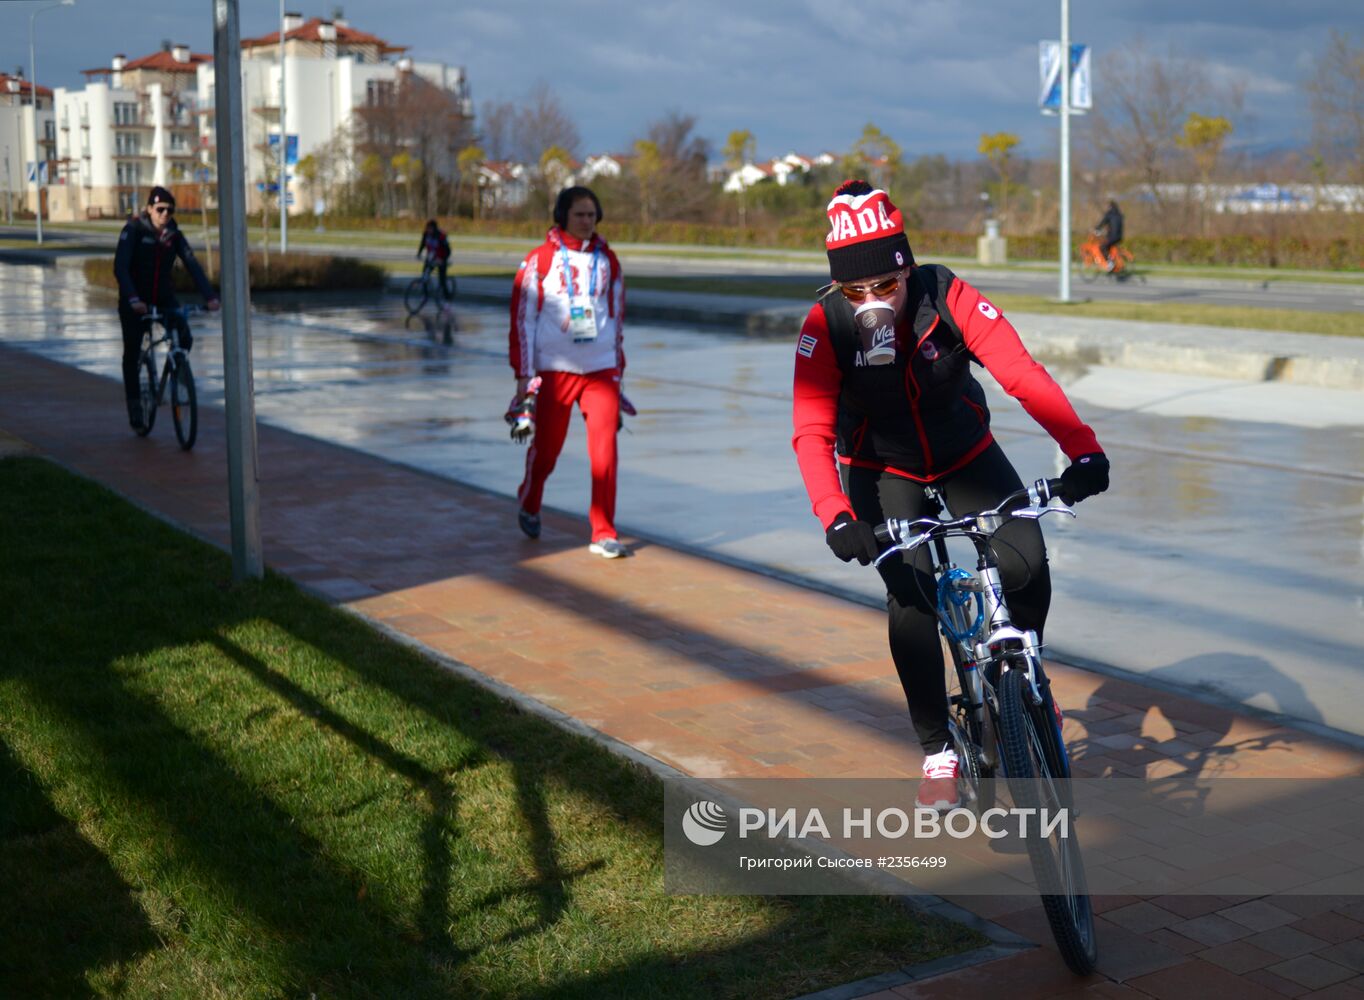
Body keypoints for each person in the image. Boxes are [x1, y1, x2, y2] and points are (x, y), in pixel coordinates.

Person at [791, 180, 1110, 810]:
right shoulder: (825, 325)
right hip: (881, 468)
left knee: (1025, 559)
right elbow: (810, 429)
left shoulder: (946, 293)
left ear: (906, 267)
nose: (871, 300)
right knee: (909, 597)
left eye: (885, 285)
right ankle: (938, 747)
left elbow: (1022, 373)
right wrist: (836, 516)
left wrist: (1083, 448)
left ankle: (1026, 678)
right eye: (856, 290)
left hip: (963, 449)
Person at [507, 185, 628, 558]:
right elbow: (522, 320)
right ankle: (530, 499)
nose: (587, 221)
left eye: (592, 214)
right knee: (548, 452)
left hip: (600, 369)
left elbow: (617, 318)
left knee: (605, 452)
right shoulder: (540, 260)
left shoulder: (608, 260)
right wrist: (524, 376)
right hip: (554, 370)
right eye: (580, 214)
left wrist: (619, 373)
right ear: (563, 216)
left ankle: (603, 531)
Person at [114, 185, 219, 431]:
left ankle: (178, 372)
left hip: (163, 297)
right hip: (135, 300)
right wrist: (132, 299)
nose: (164, 214)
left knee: (184, 335)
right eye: (160, 209)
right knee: (132, 354)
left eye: (169, 211)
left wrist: (210, 296)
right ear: (150, 208)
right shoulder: (134, 230)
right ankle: (136, 406)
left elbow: (191, 263)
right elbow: (120, 267)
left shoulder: (173, 235)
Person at [417, 218, 452, 299]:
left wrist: (442, 259)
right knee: (425, 275)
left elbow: (447, 250)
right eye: (427, 228)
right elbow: (422, 244)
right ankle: (425, 294)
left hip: (441, 257)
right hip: (431, 257)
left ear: (434, 228)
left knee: (442, 279)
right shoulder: (426, 234)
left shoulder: (441, 236)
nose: (428, 230)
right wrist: (419, 254)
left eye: (430, 228)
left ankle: (447, 297)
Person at [1095, 200, 1124, 271]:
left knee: (1102, 247)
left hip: (1112, 237)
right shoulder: (1119, 214)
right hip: (1119, 237)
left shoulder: (1110, 214)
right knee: (1109, 247)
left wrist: (1097, 228)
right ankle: (1113, 265)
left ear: (1110, 207)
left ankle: (1110, 263)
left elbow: (1103, 222)